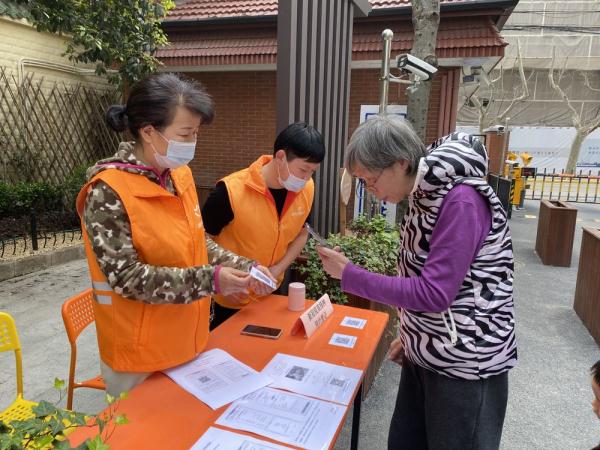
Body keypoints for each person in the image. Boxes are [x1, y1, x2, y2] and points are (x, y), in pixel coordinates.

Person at [317, 115, 516, 450]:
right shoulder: (425, 195)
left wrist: (350, 275)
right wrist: (414, 337)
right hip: (431, 351)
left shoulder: (461, 200)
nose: (370, 190)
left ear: (401, 163)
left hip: (466, 362)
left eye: (371, 179)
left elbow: (434, 292)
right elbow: (420, 277)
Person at [76, 73, 276, 396]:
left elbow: (199, 241)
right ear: (148, 131)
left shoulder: (178, 176)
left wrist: (244, 265)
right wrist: (210, 281)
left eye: (196, 133)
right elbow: (128, 278)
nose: (193, 142)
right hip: (138, 356)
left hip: (188, 341)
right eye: (185, 133)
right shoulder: (108, 191)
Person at [201, 122, 325, 329]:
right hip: (228, 299)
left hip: (271, 293)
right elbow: (199, 241)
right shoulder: (230, 191)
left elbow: (302, 234)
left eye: (312, 171)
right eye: (303, 169)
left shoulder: (306, 189)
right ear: (281, 157)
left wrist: (276, 271)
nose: (306, 178)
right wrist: (221, 280)